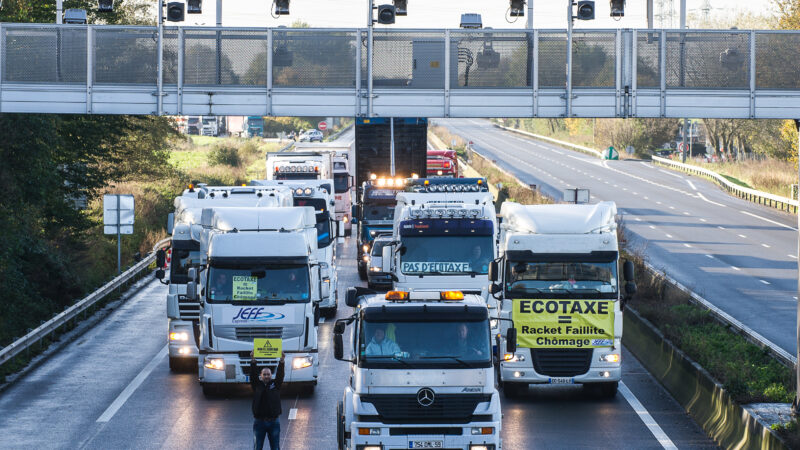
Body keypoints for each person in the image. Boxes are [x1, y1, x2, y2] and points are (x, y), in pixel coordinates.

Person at [250, 351, 286, 450]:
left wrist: (282, 361)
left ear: (271, 375)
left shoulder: (275, 385)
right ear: (261, 376)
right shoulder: (257, 385)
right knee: (258, 447)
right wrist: (253, 360)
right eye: (264, 374)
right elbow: (253, 375)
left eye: (268, 374)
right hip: (259, 422)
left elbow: (280, 375)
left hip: (274, 422)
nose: (266, 376)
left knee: (275, 448)